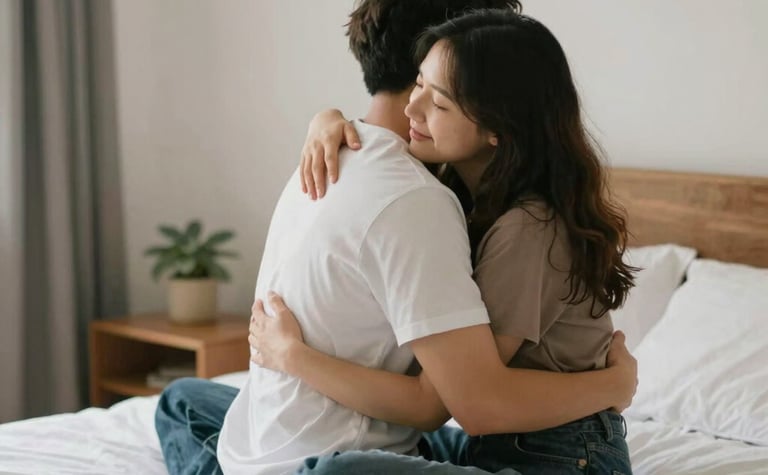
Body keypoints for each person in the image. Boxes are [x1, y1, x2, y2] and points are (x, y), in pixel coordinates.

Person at [154, 2, 637, 475]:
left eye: (438, 100)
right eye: (418, 83)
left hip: (562, 455)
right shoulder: (458, 190)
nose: (412, 106)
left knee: (333, 471)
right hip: (495, 441)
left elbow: (473, 404)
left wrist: (614, 386)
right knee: (183, 400)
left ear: (496, 125)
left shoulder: (520, 226)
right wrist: (326, 119)